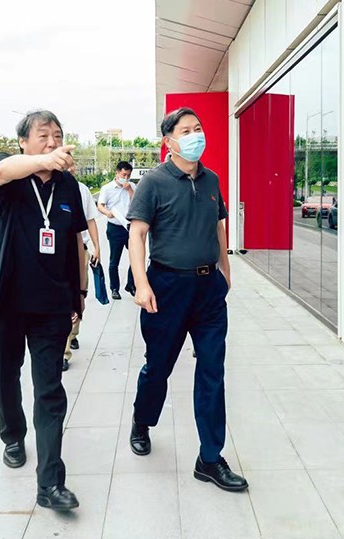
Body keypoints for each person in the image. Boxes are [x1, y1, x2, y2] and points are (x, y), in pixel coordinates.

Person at [127, 107, 248, 493]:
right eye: (186, 130)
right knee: (158, 367)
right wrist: (141, 284)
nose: (196, 135)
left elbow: (217, 226)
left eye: (198, 128)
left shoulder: (212, 180)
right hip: (167, 288)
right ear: (169, 141)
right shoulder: (154, 182)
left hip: (208, 290)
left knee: (212, 370)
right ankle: (142, 421)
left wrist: (225, 270)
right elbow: (137, 234)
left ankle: (210, 458)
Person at [0, 110, 87, 511]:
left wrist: (79, 295)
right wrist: (42, 160)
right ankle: (12, 436)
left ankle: (50, 483)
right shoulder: (8, 175)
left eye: (58, 135)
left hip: (51, 307)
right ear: (23, 142)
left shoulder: (68, 185)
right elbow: (2, 170)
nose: (53, 142)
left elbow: (74, 242)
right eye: (43, 135)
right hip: (4, 303)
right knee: (6, 378)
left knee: (50, 390)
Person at [63, 175, 101, 371]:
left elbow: (90, 220)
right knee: (64, 301)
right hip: (56, 254)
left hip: (80, 251)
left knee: (79, 296)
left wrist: (97, 247)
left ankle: (73, 334)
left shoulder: (82, 190)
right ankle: (64, 352)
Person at [98, 161, 136, 299]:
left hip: (130, 227)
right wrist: (107, 213)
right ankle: (114, 288)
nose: (126, 178)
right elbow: (100, 205)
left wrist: (129, 189)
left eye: (128, 175)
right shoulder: (107, 188)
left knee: (135, 257)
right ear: (117, 172)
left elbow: (137, 202)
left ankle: (131, 284)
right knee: (114, 260)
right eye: (124, 174)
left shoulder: (132, 187)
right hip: (115, 227)